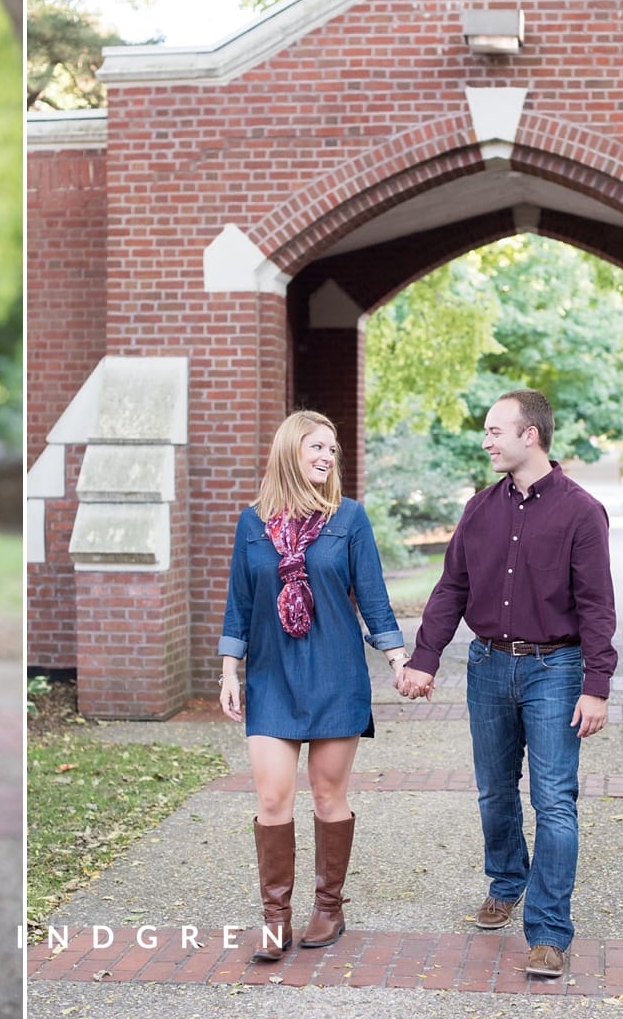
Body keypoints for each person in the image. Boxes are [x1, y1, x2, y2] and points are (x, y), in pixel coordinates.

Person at [398, 389, 617, 980]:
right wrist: (425, 658)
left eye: (496, 430)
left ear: (531, 435)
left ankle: (548, 932)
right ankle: (506, 881)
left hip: (557, 671)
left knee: (554, 801)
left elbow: (597, 605)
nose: (487, 440)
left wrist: (596, 684)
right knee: (495, 792)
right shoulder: (479, 508)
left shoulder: (581, 511)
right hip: (489, 666)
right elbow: (451, 589)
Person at [217, 410, 407, 960]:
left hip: (334, 674)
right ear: (289, 454)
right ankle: (275, 919)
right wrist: (230, 670)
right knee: (273, 796)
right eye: (315, 448)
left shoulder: (349, 519)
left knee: (328, 795)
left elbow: (372, 596)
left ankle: (329, 907)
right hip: (272, 678)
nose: (327, 457)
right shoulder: (252, 523)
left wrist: (396, 658)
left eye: (332, 449)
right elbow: (240, 603)